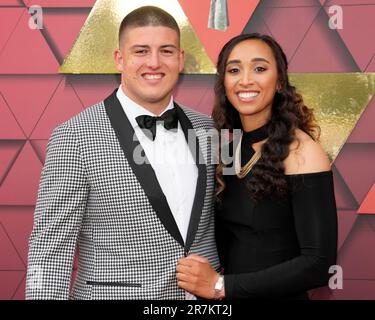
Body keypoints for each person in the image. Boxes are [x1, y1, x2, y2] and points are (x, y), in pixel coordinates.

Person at [25, 6, 219, 300]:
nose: (154, 62)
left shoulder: (208, 130)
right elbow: (49, 250)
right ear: (120, 59)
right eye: (141, 51)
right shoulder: (74, 137)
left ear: (181, 60)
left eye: (166, 51)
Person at [176, 33, 338, 300]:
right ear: (224, 83)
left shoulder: (302, 152)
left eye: (260, 68)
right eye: (234, 70)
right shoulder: (229, 151)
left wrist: (221, 286)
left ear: (279, 82)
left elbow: (319, 264)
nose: (246, 80)